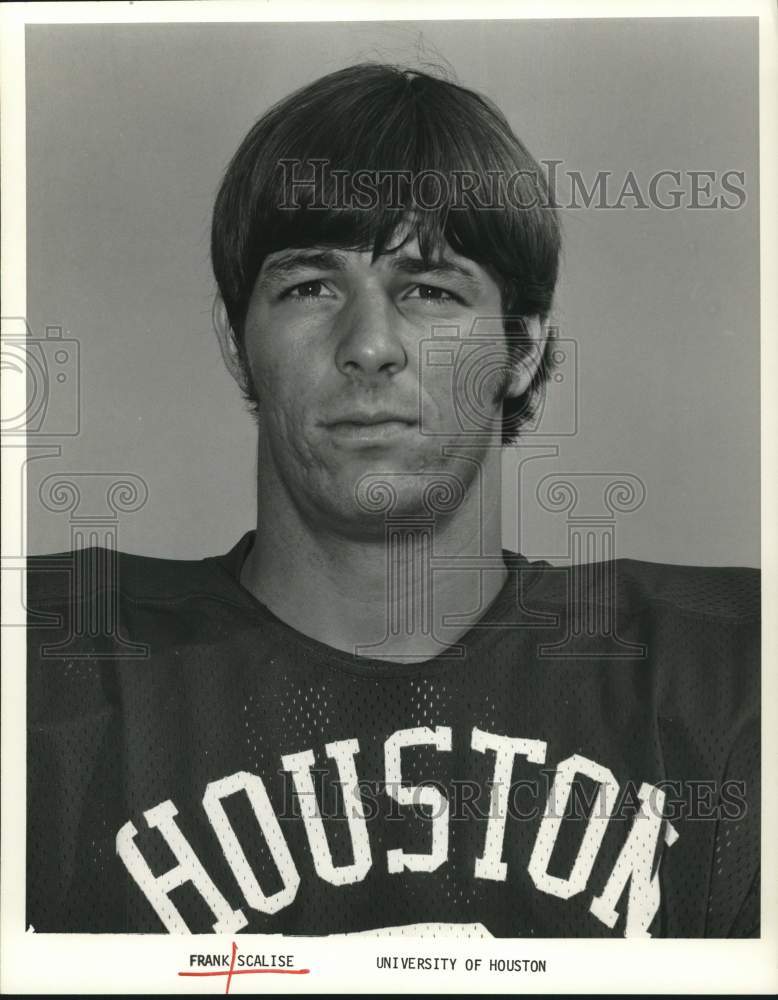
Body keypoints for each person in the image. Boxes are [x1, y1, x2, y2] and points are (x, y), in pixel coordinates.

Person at [26, 64, 759, 938]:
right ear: (236, 342)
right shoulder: (51, 663)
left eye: (430, 290)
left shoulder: (723, 674)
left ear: (522, 349)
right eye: (310, 287)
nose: (370, 345)